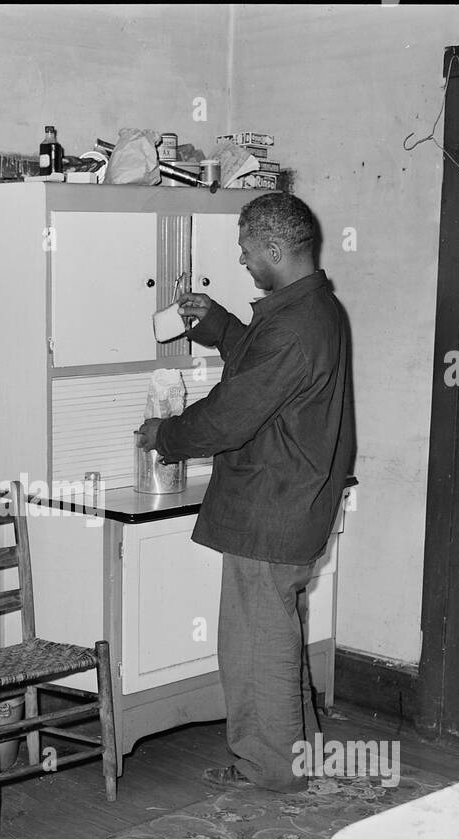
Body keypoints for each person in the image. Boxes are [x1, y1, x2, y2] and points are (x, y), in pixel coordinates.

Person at [135, 192, 355, 792]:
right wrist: (221, 327)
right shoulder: (312, 312)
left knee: (257, 646)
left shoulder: (293, 326)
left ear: (277, 249)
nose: (243, 261)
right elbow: (267, 374)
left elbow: (232, 415)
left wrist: (167, 435)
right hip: (289, 503)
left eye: (247, 250)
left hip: (272, 506)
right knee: (272, 636)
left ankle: (270, 769)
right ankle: (293, 755)